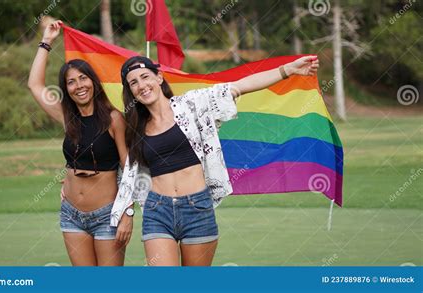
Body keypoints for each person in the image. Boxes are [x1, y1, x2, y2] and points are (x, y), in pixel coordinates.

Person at [111, 55, 319, 266]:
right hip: (157, 211)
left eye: (145, 77)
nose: (142, 86)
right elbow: (129, 175)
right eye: (133, 83)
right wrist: (127, 211)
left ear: (159, 77)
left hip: (197, 209)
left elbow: (240, 86)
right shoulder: (134, 127)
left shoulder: (193, 104)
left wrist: (287, 69)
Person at [28, 20, 132, 266]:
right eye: (71, 82)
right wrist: (47, 41)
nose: (78, 86)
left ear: (93, 82)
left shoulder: (114, 118)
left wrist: (127, 213)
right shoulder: (67, 118)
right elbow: (35, 85)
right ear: (66, 89)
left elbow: (130, 168)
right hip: (71, 215)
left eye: (82, 78)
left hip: (107, 214)